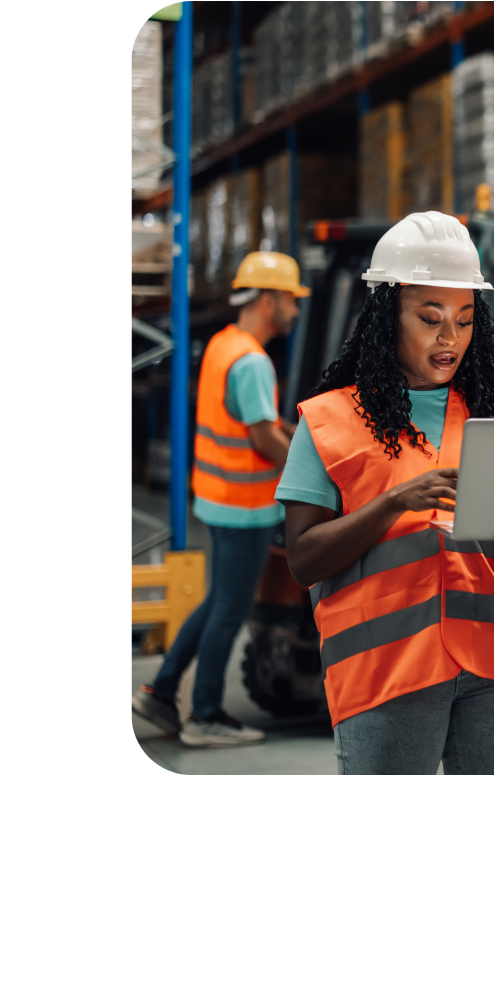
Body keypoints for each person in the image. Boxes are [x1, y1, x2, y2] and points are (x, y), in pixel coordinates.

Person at [279, 211, 494, 781]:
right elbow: (303, 559)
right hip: (387, 672)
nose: (450, 338)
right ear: (387, 316)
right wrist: (394, 502)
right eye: (430, 318)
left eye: (465, 321)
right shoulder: (329, 421)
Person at [132, 252, 306, 747]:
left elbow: (258, 425)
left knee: (217, 602)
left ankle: (163, 691)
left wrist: (298, 433)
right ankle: (204, 712)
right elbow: (262, 439)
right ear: (269, 300)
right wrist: (308, 464)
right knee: (230, 609)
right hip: (245, 507)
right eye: (292, 300)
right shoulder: (253, 363)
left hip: (217, 499)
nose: (296, 311)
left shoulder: (224, 346)